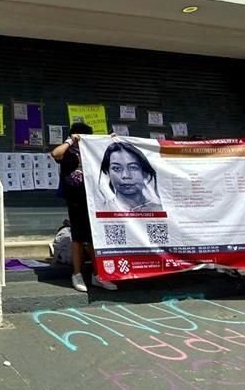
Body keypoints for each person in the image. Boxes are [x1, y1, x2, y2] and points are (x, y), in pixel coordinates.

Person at [51, 123, 116, 293]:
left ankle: (98, 275)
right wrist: (70, 141)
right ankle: (77, 274)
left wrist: (112, 140)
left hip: (94, 199)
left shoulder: (92, 152)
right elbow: (55, 154)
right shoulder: (68, 152)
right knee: (79, 238)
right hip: (75, 200)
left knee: (94, 238)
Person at [97, 141, 163, 212]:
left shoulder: (161, 210)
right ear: (107, 172)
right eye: (117, 168)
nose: (125, 175)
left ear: (144, 172)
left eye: (133, 168)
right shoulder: (101, 211)